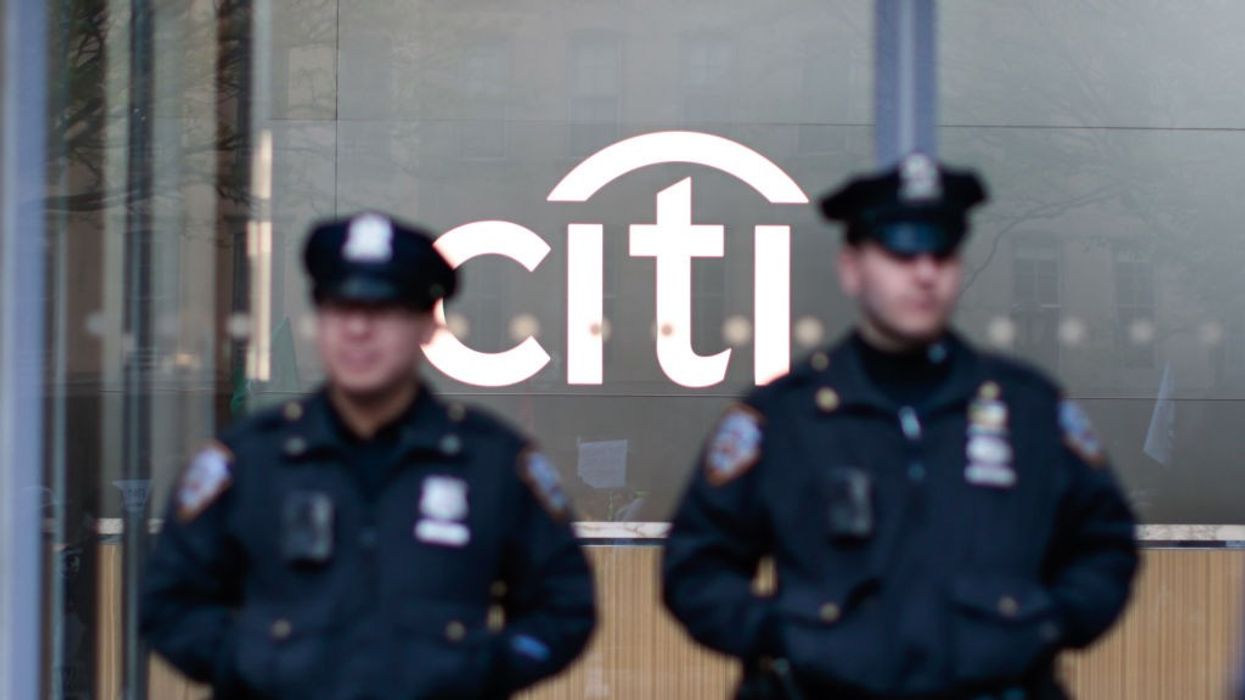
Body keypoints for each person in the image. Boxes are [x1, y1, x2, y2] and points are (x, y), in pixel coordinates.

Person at [661, 154, 1139, 700]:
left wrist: (1046, 624)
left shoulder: (1028, 409)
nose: (925, 271)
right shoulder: (787, 417)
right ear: (852, 267)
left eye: (941, 251)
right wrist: (785, 635)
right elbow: (696, 566)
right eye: (900, 250)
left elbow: (1105, 543)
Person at [142, 213, 596, 699]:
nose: (358, 329)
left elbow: (565, 606)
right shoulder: (252, 460)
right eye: (340, 308)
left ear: (426, 324)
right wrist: (253, 667)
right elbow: (170, 602)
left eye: (382, 311)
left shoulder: (489, 462)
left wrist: (482, 671)